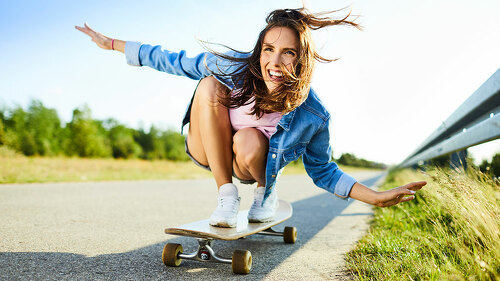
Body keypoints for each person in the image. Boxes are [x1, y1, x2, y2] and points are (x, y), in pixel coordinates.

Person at [76, 8, 426, 228]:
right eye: (268, 50)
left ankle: (265, 192)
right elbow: (173, 59)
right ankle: (226, 197)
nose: (274, 62)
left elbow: (324, 170)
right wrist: (112, 44)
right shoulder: (233, 67)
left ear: (301, 61)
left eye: (287, 53)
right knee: (209, 85)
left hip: (250, 162)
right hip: (207, 148)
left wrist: (376, 197)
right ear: (259, 50)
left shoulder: (313, 115)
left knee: (249, 139)